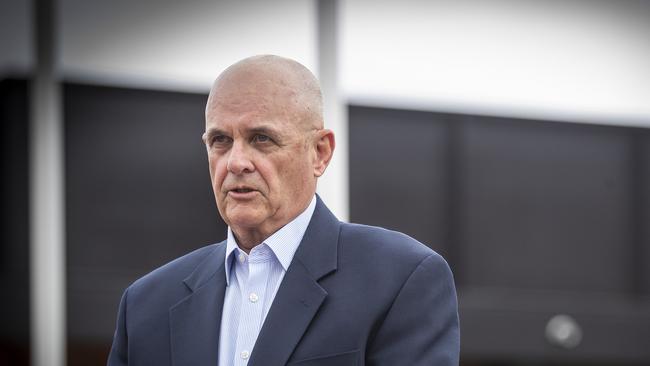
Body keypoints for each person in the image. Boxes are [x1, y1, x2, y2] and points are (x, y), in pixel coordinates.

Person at [107, 55, 459, 366]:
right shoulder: (145, 305)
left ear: (320, 152)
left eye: (262, 138)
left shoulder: (400, 279)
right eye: (220, 141)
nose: (236, 162)